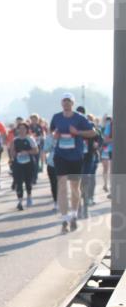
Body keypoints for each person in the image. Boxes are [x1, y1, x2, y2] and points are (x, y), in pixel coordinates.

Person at [50, 93, 98, 232]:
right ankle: (65, 219)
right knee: (62, 185)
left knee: (74, 187)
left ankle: (74, 215)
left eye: (69, 101)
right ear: (61, 103)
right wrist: (55, 135)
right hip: (60, 156)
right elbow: (52, 132)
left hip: (76, 156)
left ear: (72, 103)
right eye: (64, 101)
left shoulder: (80, 118)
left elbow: (93, 132)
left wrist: (77, 132)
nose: (66, 103)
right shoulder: (56, 117)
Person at [8, 122, 39, 210]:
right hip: (18, 164)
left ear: (27, 130)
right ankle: (20, 201)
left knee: (28, 182)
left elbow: (36, 151)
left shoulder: (30, 139)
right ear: (17, 130)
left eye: (23, 129)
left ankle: (29, 196)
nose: (21, 130)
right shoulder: (15, 140)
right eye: (20, 129)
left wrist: (27, 152)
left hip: (29, 163)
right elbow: (12, 152)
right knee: (18, 182)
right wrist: (14, 156)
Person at [101, 116, 113, 193]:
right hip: (109, 149)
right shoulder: (109, 126)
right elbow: (106, 139)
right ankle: (107, 186)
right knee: (108, 169)